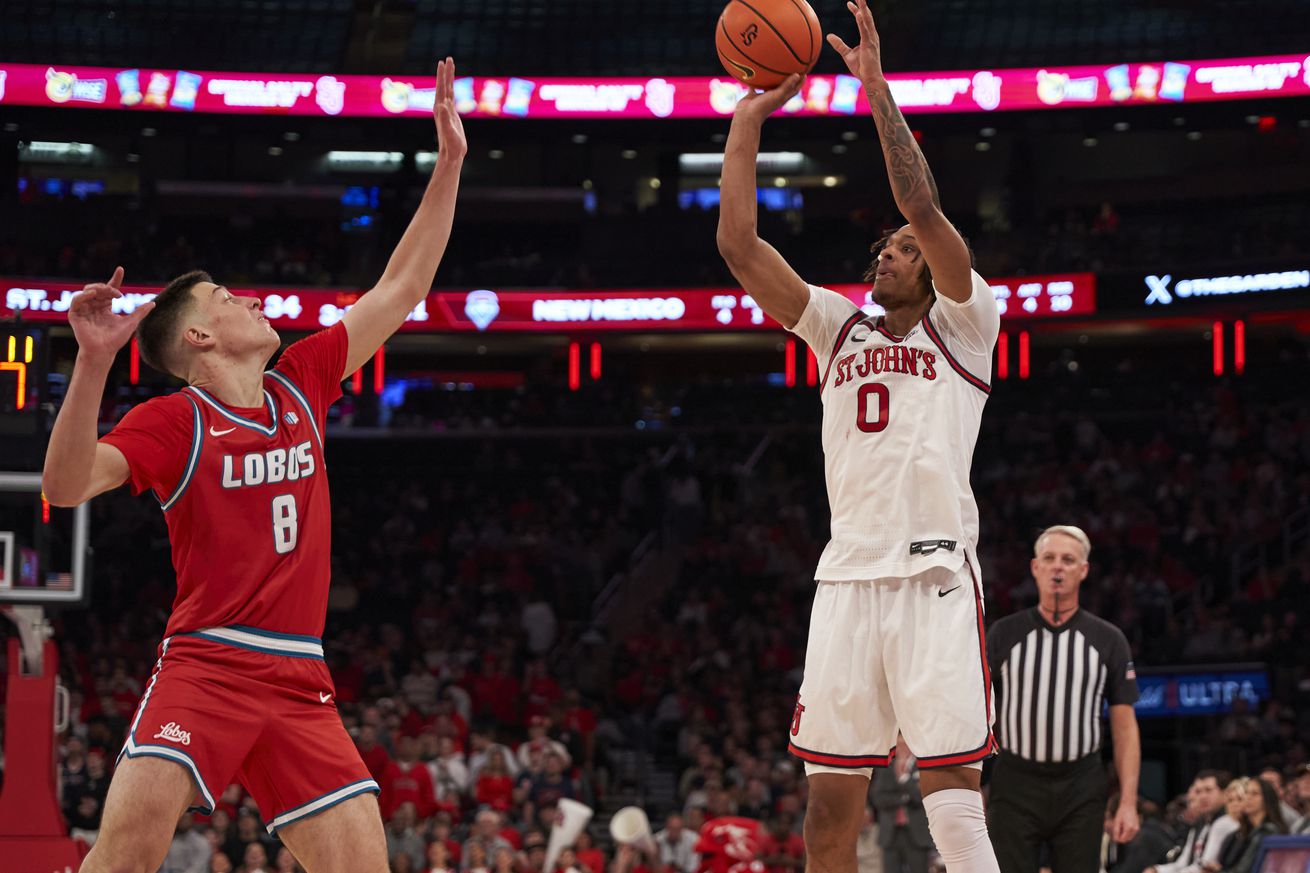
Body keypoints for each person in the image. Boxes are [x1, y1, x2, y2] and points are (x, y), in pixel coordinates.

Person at [41, 59, 467, 873]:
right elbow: (64, 488)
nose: (251, 301)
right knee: (125, 854)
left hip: (301, 675)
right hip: (207, 662)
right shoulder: (174, 421)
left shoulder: (302, 381)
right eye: (228, 300)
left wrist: (448, 164)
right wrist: (92, 364)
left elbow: (404, 284)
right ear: (198, 340)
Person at [717, 2, 1001, 871]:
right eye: (881, 247)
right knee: (827, 803)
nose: (887, 252)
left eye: (903, 249)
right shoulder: (837, 327)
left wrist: (874, 86)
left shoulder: (965, 323)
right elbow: (738, 245)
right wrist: (745, 122)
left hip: (934, 570)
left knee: (950, 783)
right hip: (846, 574)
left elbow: (919, 198)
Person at [986, 526, 1142, 873]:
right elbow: (978, 713)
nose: (1058, 567)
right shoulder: (1004, 634)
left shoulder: (1108, 639)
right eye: (1049, 559)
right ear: (1035, 567)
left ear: (1083, 570)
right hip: (1015, 782)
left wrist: (1128, 802)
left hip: (1081, 784)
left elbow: (1125, 727)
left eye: (1068, 560)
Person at [1146, 772, 1230, 873]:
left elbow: (1204, 867)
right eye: (1198, 792)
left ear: (1224, 793)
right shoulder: (1200, 824)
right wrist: (1157, 870)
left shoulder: (1225, 822)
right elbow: (1183, 863)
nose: (1203, 796)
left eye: (1208, 790)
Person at [873, 747, 933, 873]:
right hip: (891, 834)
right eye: (898, 743)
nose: (902, 747)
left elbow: (921, 797)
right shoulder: (886, 766)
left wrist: (904, 779)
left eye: (904, 743)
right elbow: (878, 798)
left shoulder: (923, 765)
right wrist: (904, 798)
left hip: (917, 835)